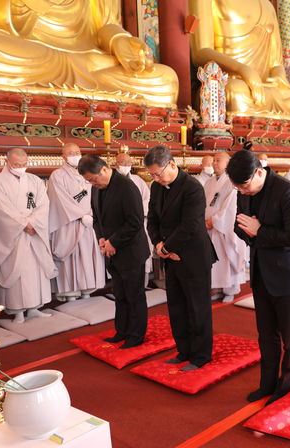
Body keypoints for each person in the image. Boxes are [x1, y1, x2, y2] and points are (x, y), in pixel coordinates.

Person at [0, 0, 178, 106]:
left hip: (88, 60)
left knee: (166, 80)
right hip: (30, 55)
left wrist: (119, 39)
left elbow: (105, 25)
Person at [227, 150, 290, 405]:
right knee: (266, 334)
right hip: (262, 272)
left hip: (287, 275)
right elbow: (238, 227)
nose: (241, 192)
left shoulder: (287, 191)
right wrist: (251, 231)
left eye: (244, 185)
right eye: (237, 187)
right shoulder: (244, 191)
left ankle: (285, 387)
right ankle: (267, 385)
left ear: (259, 172)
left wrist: (259, 230)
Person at [189, 0, 290, 122]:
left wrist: (278, 76)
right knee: (235, 92)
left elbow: (276, 64)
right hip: (232, 84)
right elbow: (200, 52)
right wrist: (243, 70)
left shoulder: (267, 6)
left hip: (266, 90)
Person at [146, 146, 216, 370]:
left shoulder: (192, 187)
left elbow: (191, 225)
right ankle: (183, 350)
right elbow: (152, 220)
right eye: (152, 175)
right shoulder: (157, 188)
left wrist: (167, 247)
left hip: (193, 255)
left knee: (197, 307)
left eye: (158, 173)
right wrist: (159, 244)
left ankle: (200, 355)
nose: (156, 179)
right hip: (169, 254)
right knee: (176, 306)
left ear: (172, 165)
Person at [79, 154, 149, 349]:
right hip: (112, 250)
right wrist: (101, 237)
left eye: (93, 179)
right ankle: (122, 331)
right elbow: (97, 218)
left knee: (134, 295)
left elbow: (135, 221)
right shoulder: (96, 188)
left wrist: (113, 242)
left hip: (131, 251)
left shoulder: (126, 187)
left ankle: (136, 335)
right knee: (120, 293)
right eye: (88, 181)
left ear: (103, 169)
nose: (93, 183)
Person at [0, 148, 55, 323]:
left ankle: (34, 308)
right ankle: (17, 311)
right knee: (17, 271)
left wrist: (34, 223)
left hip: (34, 233)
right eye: (17, 164)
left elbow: (43, 204)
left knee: (34, 271)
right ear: (7, 161)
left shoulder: (35, 180)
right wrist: (24, 224)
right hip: (13, 235)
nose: (21, 167)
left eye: (24, 165)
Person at [47, 143, 105, 301]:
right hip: (69, 222)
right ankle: (70, 293)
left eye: (78, 152)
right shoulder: (57, 175)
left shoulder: (86, 172)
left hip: (90, 222)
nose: (75, 155)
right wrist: (80, 215)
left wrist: (93, 214)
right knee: (72, 257)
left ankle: (87, 290)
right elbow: (59, 200)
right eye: (71, 153)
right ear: (63, 157)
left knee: (88, 254)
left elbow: (97, 192)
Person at [204, 152, 248, 303]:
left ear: (228, 163)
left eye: (218, 160)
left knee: (228, 255)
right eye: (214, 160)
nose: (214, 163)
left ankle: (231, 289)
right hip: (209, 227)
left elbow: (231, 206)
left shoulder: (232, 181)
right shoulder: (209, 182)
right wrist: (204, 219)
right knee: (215, 260)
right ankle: (217, 287)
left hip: (224, 227)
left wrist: (215, 220)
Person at [115, 152, 152, 286]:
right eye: (123, 163)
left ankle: (144, 284)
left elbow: (148, 199)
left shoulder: (138, 180)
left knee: (142, 254)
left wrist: (137, 212)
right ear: (116, 164)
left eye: (128, 163)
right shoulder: (112, 181)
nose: (126, 166)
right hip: (121, 226)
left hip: (139, 223)